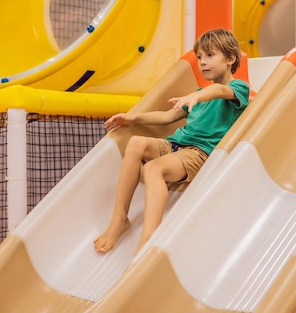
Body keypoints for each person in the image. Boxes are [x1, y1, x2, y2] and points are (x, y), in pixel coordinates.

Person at [94, 28, 251, 255]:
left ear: (230, 59)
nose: (202, 62)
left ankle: (149, 238)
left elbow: (219, 90)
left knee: (153, 169)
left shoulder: (238, 89)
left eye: (210, 55)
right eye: (199, 57)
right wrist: (133, 117)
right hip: (176, 145)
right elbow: (168, 117)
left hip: (199, 153)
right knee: (136, 142)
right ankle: (119, 219)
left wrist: (196, 96)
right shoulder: (198, 94)